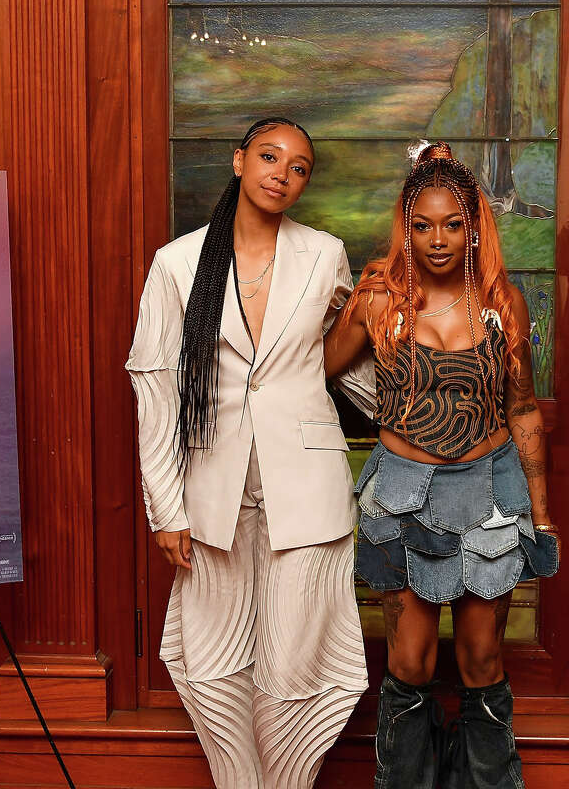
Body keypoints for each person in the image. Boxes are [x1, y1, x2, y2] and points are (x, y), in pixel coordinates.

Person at [126, 117, 368, 789]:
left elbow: (343, 372)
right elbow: (156, 391)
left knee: (299, 663)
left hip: (308, 485)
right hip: (211, 492)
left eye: (299, 167)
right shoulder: (177, 262)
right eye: (269, 156)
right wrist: (166, 509)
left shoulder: (324, 253)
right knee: (210, 658)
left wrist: (380, 325)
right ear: (238, 161)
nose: (282, 174)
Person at [325, 141, 559, 789]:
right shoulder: (377, 301)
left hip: (490, 496)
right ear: (406, 225)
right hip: (401, 499)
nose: (437, 240)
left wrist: (542, 515)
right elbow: (313, 371)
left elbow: (525, 411)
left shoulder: (503, 304)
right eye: (422, 225)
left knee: (483, 660)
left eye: (452, 224)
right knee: (412, 660)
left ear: (473, 226)